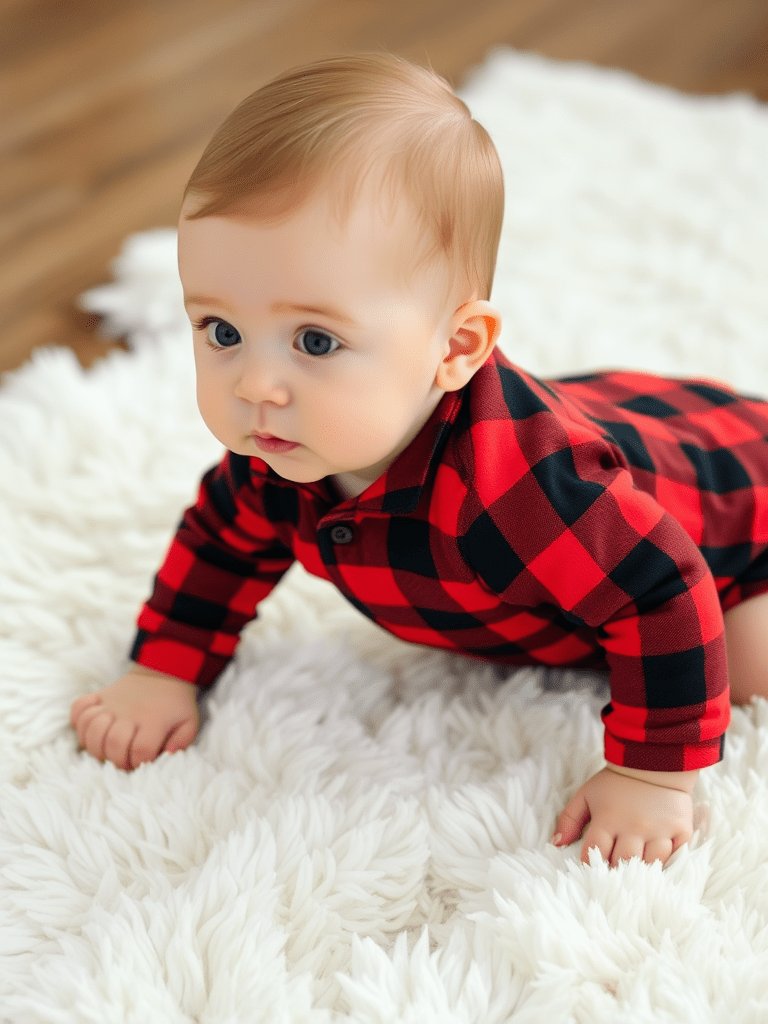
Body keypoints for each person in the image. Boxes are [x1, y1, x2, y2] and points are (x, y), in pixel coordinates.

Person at [71, 52, 768, 869]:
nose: (257, 384)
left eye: (316, 340)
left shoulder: (529, 490)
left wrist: (651, 778)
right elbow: (219, 542)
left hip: (734, 529)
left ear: (456, 348)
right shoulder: (283, 455)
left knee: (745, 665)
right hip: (607, 480)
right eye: (221, 331)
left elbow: (663, 588)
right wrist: (163, 668)